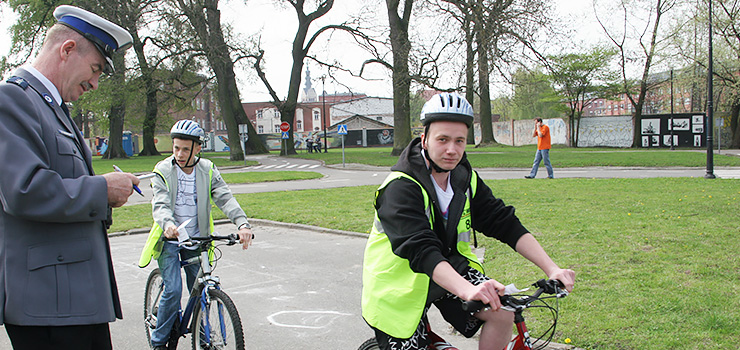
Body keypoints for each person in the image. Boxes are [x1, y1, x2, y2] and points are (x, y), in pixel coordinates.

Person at [361, 93, 575, 350]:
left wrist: (552, 268)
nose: (452, 150)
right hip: (399, 286)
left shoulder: (464, 178)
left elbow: (503, 222)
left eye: (459, 141)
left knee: (502, 310)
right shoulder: (400, 188)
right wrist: (467, 290)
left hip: (451, 269)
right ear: (424, 140)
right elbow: (421, 250)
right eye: (443, 139)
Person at [0, 5, 138, 350]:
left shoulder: (49, 106)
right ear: (67, 50)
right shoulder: (13, 99)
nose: (93, 83)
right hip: (49, 304)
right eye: (95, 70)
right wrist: (102, 190)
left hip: (70, 301)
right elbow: (24, 190)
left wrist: (103, 193)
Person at [138, 120, 254, 350]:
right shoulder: (162, 170)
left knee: (200, 288)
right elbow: (160, 204)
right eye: (175, 148)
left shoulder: (207, 170)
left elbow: (225, 198)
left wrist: (243, 224)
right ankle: (159, 342)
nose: (179, 154)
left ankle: (203, 338)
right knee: (173, 290)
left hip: (197, 239)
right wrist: (168, 224)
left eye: (185, 149)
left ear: (197, 148)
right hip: (170, 239)